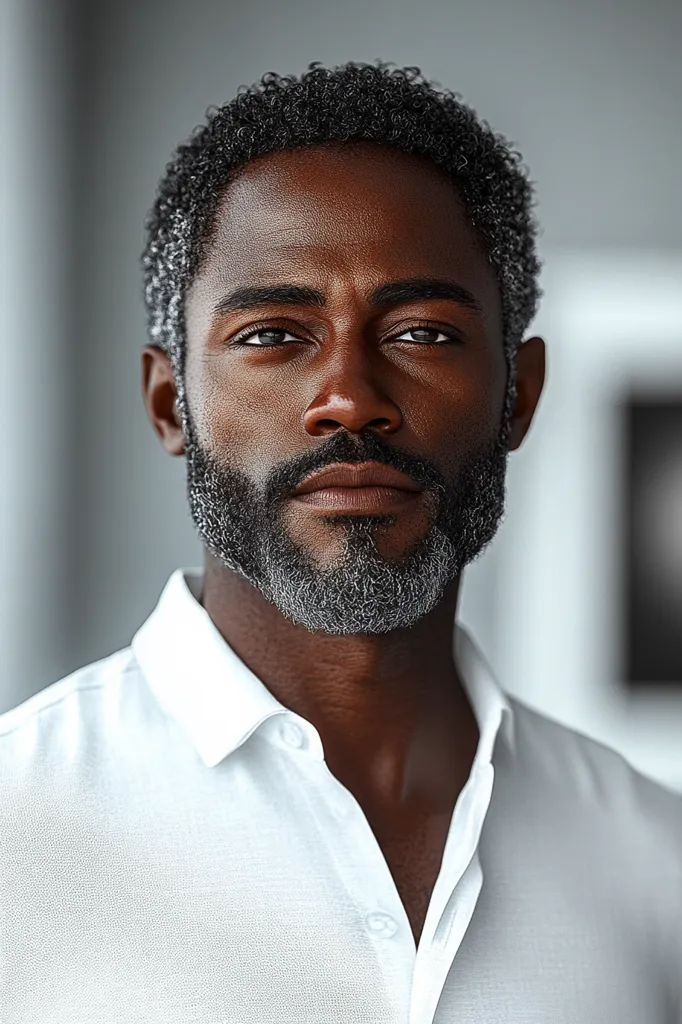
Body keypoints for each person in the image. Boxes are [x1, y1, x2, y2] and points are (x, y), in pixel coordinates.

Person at [1, 62, 680, 1024]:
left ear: (519, 394)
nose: (351, 399)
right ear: (170, 403)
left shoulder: (655, 858)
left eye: (423, 334)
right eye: (275, 335)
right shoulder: (16, 832)